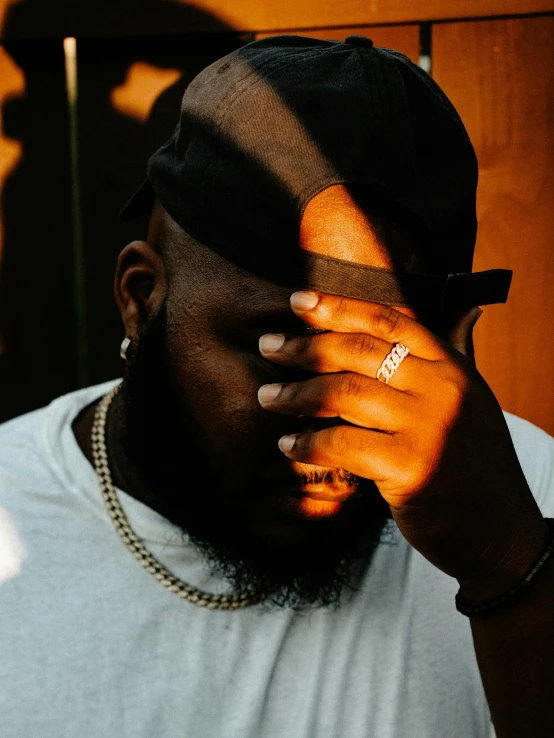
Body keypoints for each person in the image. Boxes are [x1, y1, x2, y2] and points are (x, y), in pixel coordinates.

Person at [0, 35, 553, 738]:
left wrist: (505, 564)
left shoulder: (523, 500)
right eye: (281, 355)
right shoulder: (11, 518)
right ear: (141, 300)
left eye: (384, 361)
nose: (331, 437)